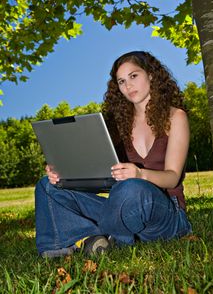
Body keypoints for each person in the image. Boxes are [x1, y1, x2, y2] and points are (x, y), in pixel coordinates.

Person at [35, 50, 192, 258]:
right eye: (121, 81)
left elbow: (172, 178)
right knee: (47, 186)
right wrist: (64, 174)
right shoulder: (117, 125)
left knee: (133, 188)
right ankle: (61, 246)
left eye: (133, 76)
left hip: (164, 216)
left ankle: (105, 237)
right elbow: (105, 179)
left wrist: (140, 174)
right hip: (123, 210)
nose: (128, 85)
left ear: (151, 75)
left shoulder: (175, 117)